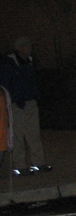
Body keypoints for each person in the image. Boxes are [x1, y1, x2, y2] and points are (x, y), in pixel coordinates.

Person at [0, 37, 52, 176]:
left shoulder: (29, 62)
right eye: (27, 46)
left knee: (34, 134)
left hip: (30, 102)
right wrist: (12, 101)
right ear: (20, 48)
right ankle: (20, 166)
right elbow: (5, 84)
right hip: (17, 104)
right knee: (18, 136)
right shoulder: (9, 63)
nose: (30, 49)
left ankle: (38, 163)